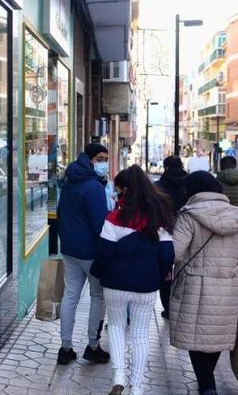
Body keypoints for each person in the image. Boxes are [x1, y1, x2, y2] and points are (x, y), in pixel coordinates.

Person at [92, 166, 175, 395]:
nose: (116, 194)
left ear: (126, 190)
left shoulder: (115, 218)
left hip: (115, 283)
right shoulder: (159, 217)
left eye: (118, 190)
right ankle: (137, 387)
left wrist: (98, 272)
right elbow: (168, 254)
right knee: (140, 334)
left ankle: (118, 375)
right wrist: (157, 274)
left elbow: (104, 252)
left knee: (117, 326)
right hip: (146, 285)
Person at [169, 171, 238, 395]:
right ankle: (207, 384)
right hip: (228, 289)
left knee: (196, 338)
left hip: (194, 287)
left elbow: (175, 253)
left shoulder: (189, 215)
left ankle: (207, 385)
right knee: (215, 338)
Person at [55, 143, 111, 365]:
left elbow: (60, 214)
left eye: (106, 158)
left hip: (69, 250)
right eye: (100, 158)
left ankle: (65, 348)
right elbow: (100, 226)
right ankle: (93, 346)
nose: (104, 162)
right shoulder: (94, 187)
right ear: (89, 160)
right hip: (91, 253)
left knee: (70, 296)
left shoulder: (69, 182)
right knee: (98, 297)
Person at [154, 155, 188, 319]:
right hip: (187, 232)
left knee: (166, 272)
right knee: (184, 270)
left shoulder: (158, 186)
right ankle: (183, 308)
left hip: (164, 232)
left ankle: (168, 309)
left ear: (165, 167)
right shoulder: (189, 184)